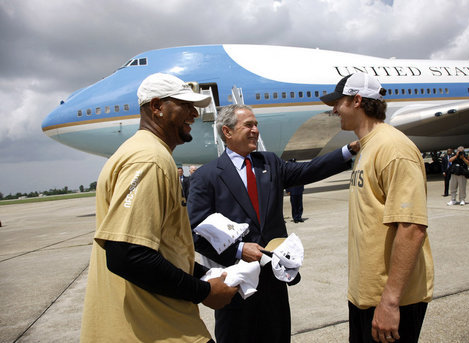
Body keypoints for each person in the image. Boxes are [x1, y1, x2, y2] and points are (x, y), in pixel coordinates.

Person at [80, 73, 238, 343]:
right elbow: (126, 254)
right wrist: (203, 291)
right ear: (157, 107)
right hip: (155, 328)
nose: (194, 114)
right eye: (185, 105)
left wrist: (207, 274)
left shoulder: (141, 152)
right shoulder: (149, 160)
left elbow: (161, 249)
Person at [187, 103, 358, 343]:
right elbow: (195, 233)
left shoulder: (269, 163)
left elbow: (308, 170)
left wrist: (348, 150)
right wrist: (238, 249)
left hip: (274, 280)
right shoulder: (207, 176)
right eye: (249, 125)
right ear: (227, 132)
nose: (256, 130)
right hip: (237, 284)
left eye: (256, 124)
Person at [320, 73, 434, 343]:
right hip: (366, 296)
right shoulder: (367, 148)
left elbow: (412, 228)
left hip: (393, 301)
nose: (334, 110)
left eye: (339, 102)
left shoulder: (394, 149)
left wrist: (390, 302)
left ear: (357, 100)